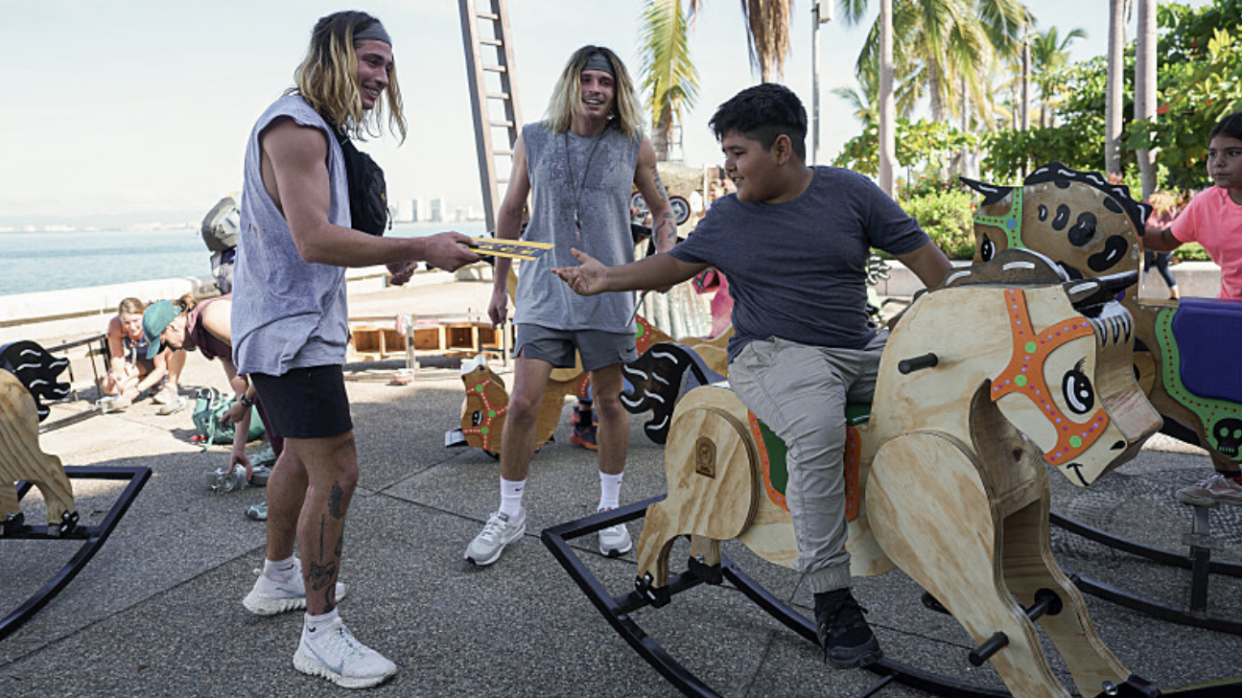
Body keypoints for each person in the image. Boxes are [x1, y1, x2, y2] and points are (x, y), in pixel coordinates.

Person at [553, 83, 952, 669]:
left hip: (863, 348)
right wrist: (605, 278)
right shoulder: (731, 217)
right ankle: (832, 598)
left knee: (951, 394)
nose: (728, 165)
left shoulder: (852, 193)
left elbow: (934, 268)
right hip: (776, 353)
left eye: (738, 152)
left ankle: (946, 546)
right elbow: (670, 266)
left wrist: (970, 327)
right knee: (818, 432)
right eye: (727, 152)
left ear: (782, 149)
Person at [231, 11, 479, 689]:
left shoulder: (316, 130)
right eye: (370, 60)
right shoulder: (298, 127)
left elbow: (318, 239)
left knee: (298, 460)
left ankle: (277, 578)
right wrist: (422, 246)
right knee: (337, 472)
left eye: (388, 66)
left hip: (284, 326)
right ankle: (319, 635)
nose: (379, 76)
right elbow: (313, 239)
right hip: (290, 332)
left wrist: (393, 260)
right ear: (332, 55)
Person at [465, 45, 676, 567]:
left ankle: (609, 512)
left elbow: (662, 212)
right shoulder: (534, 139)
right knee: (521, 405)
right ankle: (509, 514)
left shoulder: (632, 145)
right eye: (588, 79)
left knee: (608, 405)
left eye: (606, 82)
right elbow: (511, 212)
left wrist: (665, 260)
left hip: (607, 295)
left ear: (616, 90)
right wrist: (497, 285)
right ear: (571, 84)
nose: (596, 90)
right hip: (542, 292)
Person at [1142, 110, 1242, 506]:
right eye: (1213, 154)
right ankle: (1231, 477)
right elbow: (1165, 241)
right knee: (1198, 392)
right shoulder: (1206, 204)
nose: (1217, 162)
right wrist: (1120, 222)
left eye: (1231, 153)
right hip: (1228, 318)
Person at [142, 293, 276, 486]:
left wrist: (246, 401)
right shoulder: (209, 341)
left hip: (294, 353)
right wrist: (238, 450)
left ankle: (291, 504)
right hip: (278, 364)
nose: (170, 348)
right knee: (264, 405)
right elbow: (242, 393)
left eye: (165, 342)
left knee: (286, 434)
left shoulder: (211, 318)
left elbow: (262, 359)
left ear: (172, 326)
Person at [100, 297, 186, 411]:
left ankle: (170, 386)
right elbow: (117, 356)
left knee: (177, 347)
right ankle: (150, 382)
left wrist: (137, 390)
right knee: (109, 388)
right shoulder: (116, 325)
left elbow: (160, 368)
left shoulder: (152, 324)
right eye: (126, 323)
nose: (132, 327)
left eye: (136, 321)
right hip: (141, 359)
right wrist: (116, 373)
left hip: (163, 358)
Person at [1142, 190, 1181, 300]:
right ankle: (1175, 295)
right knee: (1163, 267)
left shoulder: (1148, 203)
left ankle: (1138, 294)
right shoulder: (1170, 208)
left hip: (1149, 238)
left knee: (1144, 268)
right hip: (1164, 240)